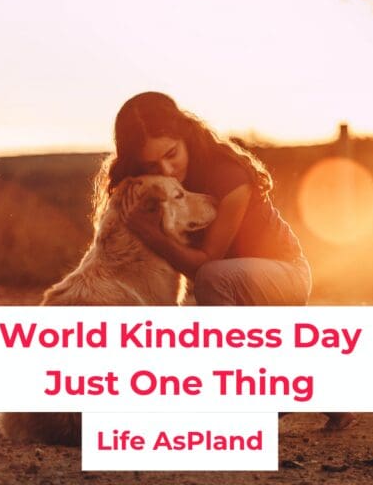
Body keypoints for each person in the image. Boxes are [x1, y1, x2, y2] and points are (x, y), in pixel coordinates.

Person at [93, 91, 355, 430]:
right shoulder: (157, 187)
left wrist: (152, 234)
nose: (167, 170)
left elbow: (205, 263)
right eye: (152, 165)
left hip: (283, 275)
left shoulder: (227, 176)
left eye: (171, 154)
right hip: (233, 284)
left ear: (185, 134)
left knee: (214, 278)